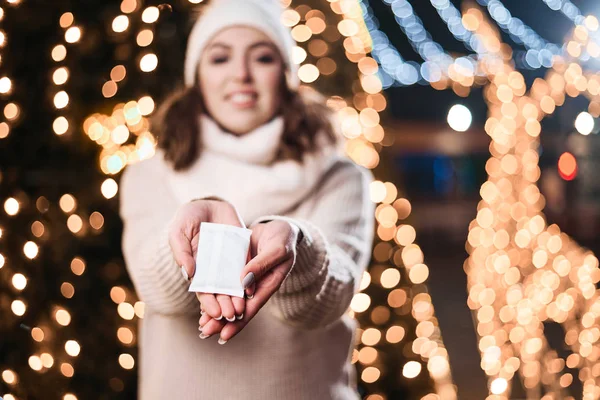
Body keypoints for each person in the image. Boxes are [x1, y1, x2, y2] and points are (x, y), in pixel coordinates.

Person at [119, 0, 374, 398]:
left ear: (286, 74)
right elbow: (160, 293)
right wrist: (190, 237)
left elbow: (327, 301)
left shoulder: (340, 177)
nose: (241, 74)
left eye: (263, 58)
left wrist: (297, 245)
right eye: (220, 58)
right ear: (197, 76)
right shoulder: (150, 175)